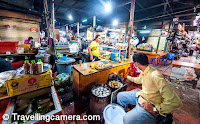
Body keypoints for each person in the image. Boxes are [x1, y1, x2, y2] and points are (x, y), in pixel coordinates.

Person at [117, 53, 182, 124]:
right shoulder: (145, 71)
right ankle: (132, 114)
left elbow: (176, 102)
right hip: (141, 96)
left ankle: (151, 117)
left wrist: (155, 110)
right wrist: (127, 77)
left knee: (127, 119)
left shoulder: (155, 76)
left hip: (150, 105)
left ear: (137, 64)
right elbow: (139, 80)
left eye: (134, 63)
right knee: (120, 96)